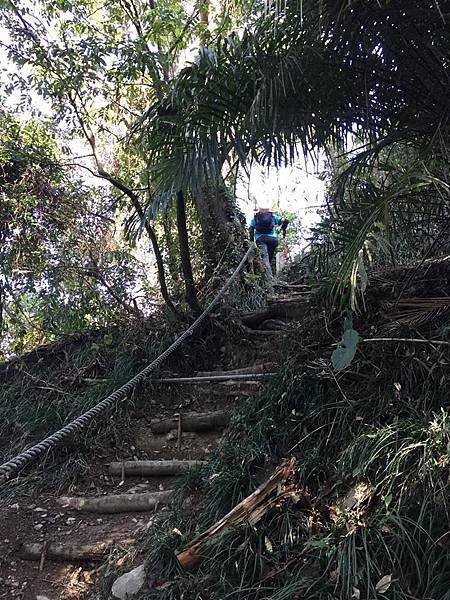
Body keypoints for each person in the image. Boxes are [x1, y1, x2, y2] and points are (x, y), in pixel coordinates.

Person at [249, 206, 289, 279]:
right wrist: (283, 230)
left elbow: (251, 229)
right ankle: (270, 276)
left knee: (265, 259)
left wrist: (251, 241)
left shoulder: (255, 218)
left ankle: (269, 280)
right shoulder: (273, 216)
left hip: (260, 239)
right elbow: (285, 221)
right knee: (268, 259)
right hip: (273, 239)